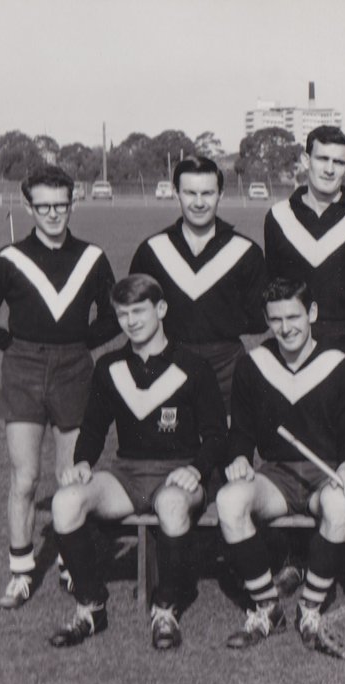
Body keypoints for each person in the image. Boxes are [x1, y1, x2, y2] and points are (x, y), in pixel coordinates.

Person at [0, 164, 118, 609]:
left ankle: (71, 565)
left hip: (75, 369)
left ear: (73, 203)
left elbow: (111, 317)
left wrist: (81, 344)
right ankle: (22, 570)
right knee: (25, 478)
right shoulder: (9, 259)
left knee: (70, 478)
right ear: (28, 206)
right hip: (23, 370)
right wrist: (15, 345)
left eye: (61, 205)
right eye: (44, 206)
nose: (53, 214)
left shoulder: (92, 257)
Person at [48, 275, 226, 650]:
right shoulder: (109, 366)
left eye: (139, 311)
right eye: (123, 313)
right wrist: (82, 462)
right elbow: (94, 428)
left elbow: (216, 436)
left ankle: (165, 609)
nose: (131, 321)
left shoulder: (194, 366)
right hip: (127, 474)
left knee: (173, 503)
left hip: (179, 473)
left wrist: (195, 468)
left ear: (160, 310)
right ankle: (90, 607)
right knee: (65, 501)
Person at [217, 278, 345, 649]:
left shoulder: (340, 365)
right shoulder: (254, 365)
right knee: (230, 501)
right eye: (276, 319)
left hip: (325, 473)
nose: (286, 328)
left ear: (312, 313)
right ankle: (267, 608)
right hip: (277, 476)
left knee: (339, 504)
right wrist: (238, 459)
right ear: (267, 321)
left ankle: (311, 607)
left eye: (294, 317)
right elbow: (242, 431)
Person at [130, 155, 268, 410]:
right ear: (176, 193)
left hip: (227, 367)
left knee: (225, 447)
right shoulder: (152, 250)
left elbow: (259, 320)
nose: (199, 202)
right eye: (190, 193)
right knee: (172, 448)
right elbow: (134, 315)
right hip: (166, 363)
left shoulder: (246, 251)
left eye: (207, 193)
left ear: (221, 194)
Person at [264, 126, 345, 387]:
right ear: (305, 160)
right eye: (322, 159)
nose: (329, 169)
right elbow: (273, 284)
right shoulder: (279, 216)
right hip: (296, 351)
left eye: (338, 162)